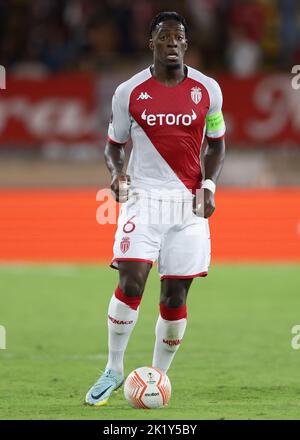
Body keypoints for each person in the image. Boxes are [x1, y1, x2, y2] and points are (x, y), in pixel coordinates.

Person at [85, 11, 226, 406]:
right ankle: (113, 368)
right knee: (131, 281)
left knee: (175, 298)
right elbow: (114, 145)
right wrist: (117, 175)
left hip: (188, 208)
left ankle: (156, 376)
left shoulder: (207, 89)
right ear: (152, 43)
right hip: (143, 201)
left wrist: (210, 185)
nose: (172, 43)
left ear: (186, 44)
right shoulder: (128, 92)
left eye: (178, 37)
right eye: (164, 37)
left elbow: (216, 141)